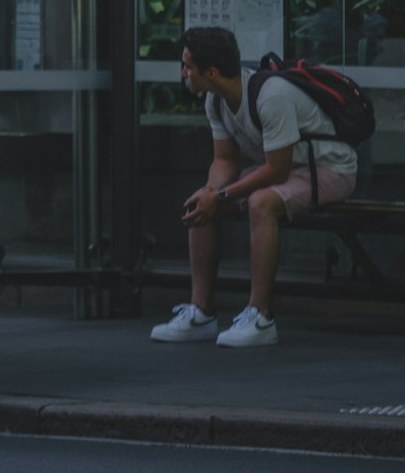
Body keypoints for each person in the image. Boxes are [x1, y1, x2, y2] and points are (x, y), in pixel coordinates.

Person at [150, 25, 357, 349]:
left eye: (188, 67)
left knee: (262, 202)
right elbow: (225, 160)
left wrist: (222, 195)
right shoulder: (215, 100)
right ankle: (201, 314)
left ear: (212, 72)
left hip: (331, 170)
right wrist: (211, 192)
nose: (183, 74)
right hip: (287, 169)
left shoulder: (271, 96)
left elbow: (277, 170)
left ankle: (261, 318)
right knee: (200, 203)